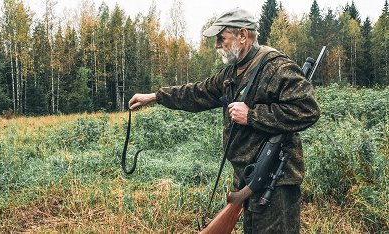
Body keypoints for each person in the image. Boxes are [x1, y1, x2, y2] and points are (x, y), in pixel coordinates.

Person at [128, 7, 320, 234]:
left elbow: (307, 109)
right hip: (248, 177)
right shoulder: (233, 72)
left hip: (275, 181)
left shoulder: (275, 67)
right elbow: (197, 93)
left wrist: (251, 115)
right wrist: (155, 96)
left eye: (221, 39)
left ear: (242, 35)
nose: (217, 45)